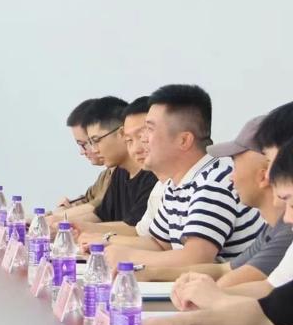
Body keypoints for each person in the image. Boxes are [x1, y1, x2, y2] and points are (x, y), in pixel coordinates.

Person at [104, 84, 264, 269]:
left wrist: (130, 257)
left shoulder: (213, 181)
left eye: (149, 129)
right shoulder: (175, 184)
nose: (144, 139)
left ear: (184, 140)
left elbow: (195, 259)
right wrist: (107, 247)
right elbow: (160, 244)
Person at [139, 116, 293, 295]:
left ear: (263, 175)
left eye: (235, 164)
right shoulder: (273, 228)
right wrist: (151, 273)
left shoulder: (286, 230)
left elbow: (238, 283)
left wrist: (201, 292)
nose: (230, 176)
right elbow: (225, 269)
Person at [64, 96, 157, 231]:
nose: (94, 150)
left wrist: (83, 229)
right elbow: (100, 215)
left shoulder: (153, 175)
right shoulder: (120, 172)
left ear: (121, 133)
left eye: (96, 141)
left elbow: (135, 229)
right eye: (90, 143)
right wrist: (60, 223)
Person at [54, 98, 114, 214]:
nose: (82, 152)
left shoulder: (123, 175)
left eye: (85, 144)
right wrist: (65, 207)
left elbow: (98, 206)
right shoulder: (106, 175)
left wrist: (59, 216)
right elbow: (87, 200)